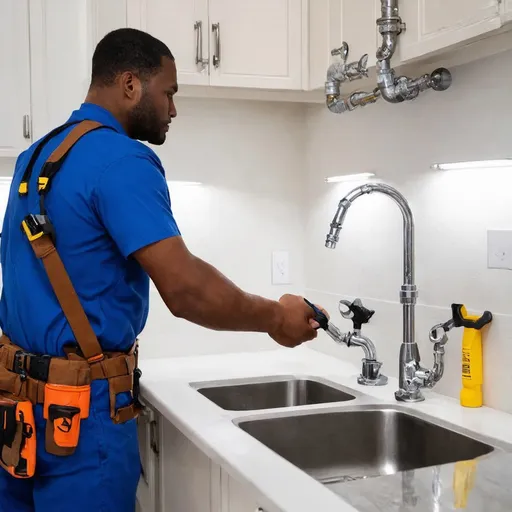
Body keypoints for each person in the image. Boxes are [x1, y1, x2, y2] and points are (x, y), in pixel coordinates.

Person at [0, 28, 327, 512]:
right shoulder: (122, 159)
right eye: (169, 93)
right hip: (81, 421)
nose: (173, 109)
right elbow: (186, 289)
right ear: (131, 84)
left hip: (17, 411)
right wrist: (277, 318)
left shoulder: (37, 156)